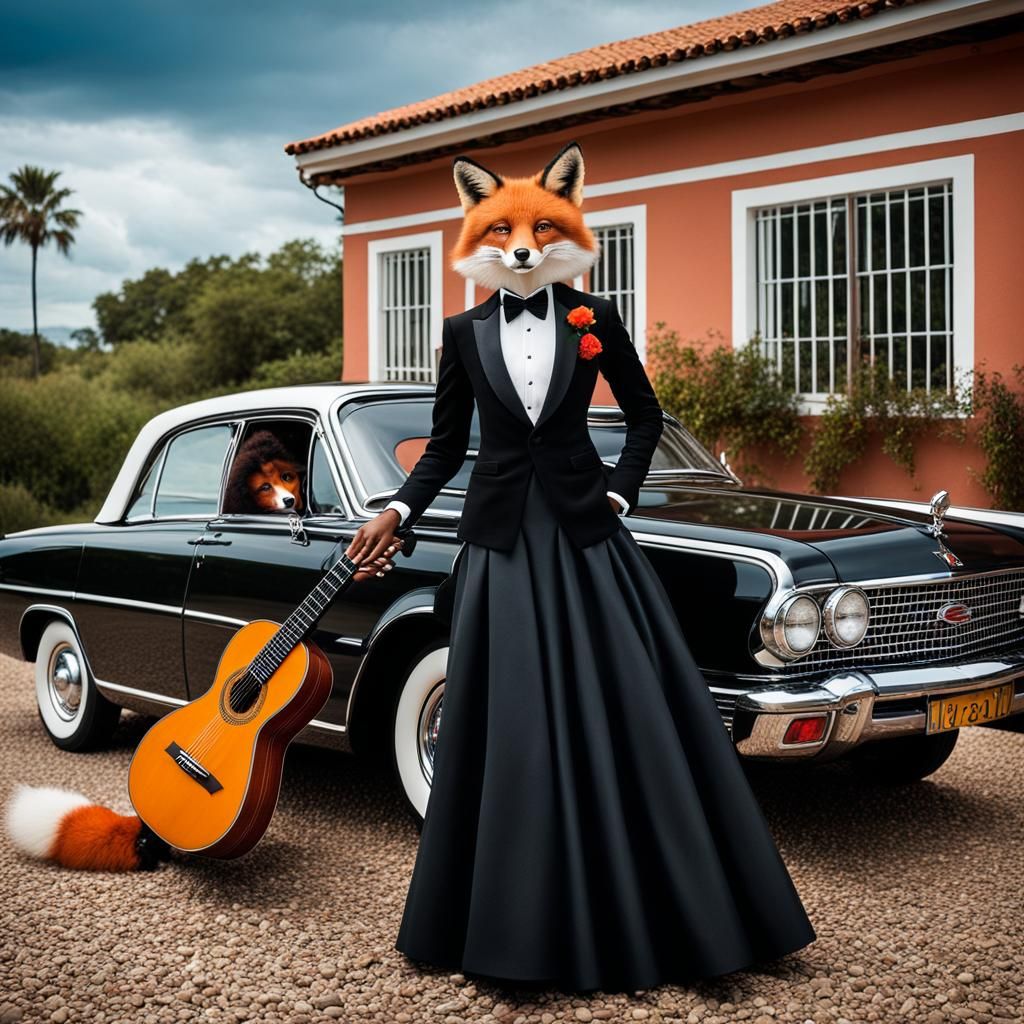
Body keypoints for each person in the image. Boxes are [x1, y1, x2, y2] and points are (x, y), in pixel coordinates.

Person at [348, 141, 816, 993]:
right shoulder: (460, 333)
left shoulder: (595, 316)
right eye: (502, 230)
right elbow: (445, 446)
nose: (521, 244)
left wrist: (621, 498)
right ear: (479, 233)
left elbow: (645, 417)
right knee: (507, 728)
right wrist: (398, 509)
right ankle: (508, 929)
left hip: (587, 537)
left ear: (564, 224)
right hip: (497, 545)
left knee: (634, 716)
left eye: (538, 228)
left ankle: (675, 918)